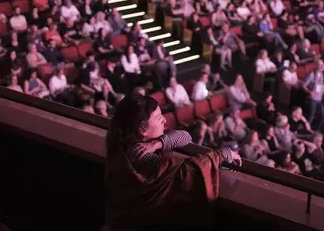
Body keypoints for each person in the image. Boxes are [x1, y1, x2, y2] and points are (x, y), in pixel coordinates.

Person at [103, 95, 241, 231]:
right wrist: (221, 155)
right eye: (158, 118)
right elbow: (187, 173)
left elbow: (186, 137)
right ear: (142, 129)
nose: (164, 120)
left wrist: (157, 143)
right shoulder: (140, 158)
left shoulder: (121, 143)